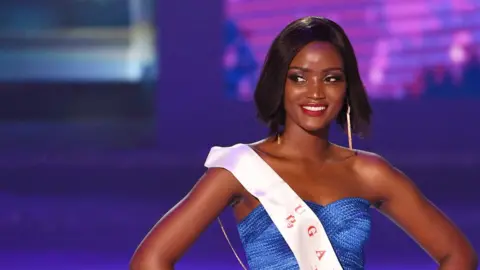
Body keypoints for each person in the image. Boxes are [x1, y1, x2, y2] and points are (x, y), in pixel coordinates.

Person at [130, 16, 477, 270]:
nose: (315, 92)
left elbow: (457, 255)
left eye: (331, 79)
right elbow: (151, 260)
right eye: (299, 77)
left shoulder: (369, 173)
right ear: (279, 83)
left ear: (346, 88)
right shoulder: (241, 169)